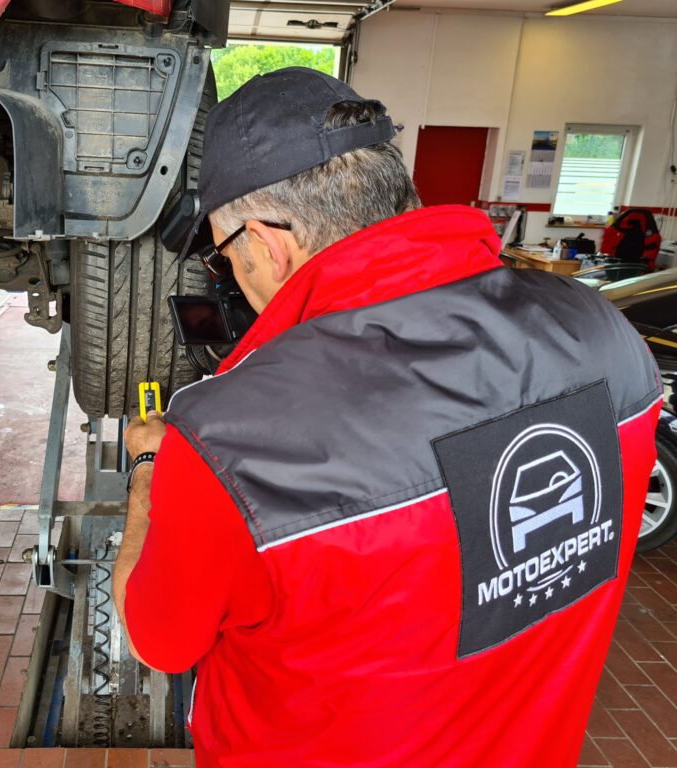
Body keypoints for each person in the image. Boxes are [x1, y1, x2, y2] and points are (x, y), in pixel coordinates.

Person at [113, 67, 661, 767]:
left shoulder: (232, 440)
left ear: (268, 243)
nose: (234, 281)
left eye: (224, 260)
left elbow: (157, 640)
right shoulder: (602, 334)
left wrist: (150, 467)